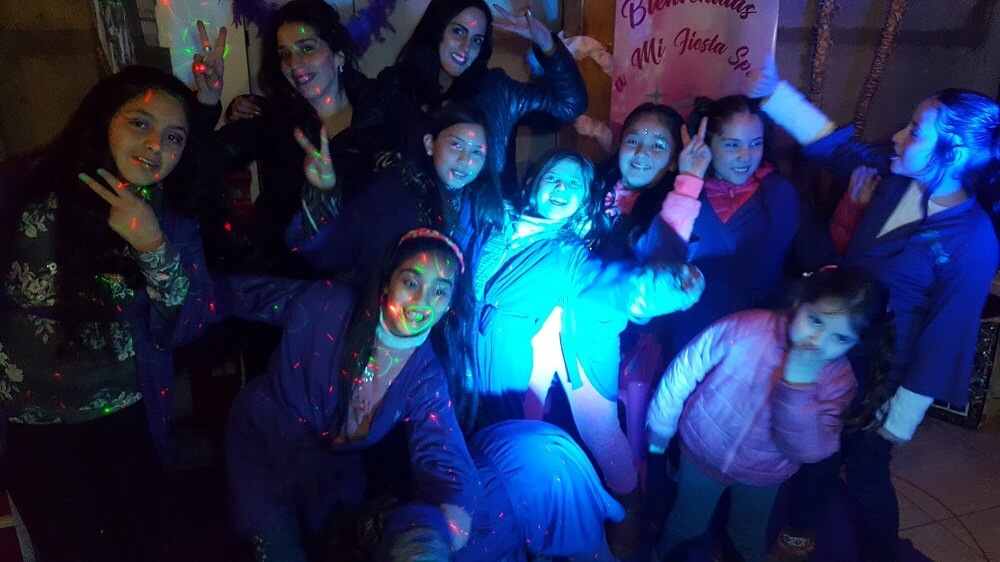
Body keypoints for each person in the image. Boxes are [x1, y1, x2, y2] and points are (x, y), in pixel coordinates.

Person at [748, 56, 1000, 561]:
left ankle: (880, 553)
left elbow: (948, 334)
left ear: (955, 154)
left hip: (882, 374)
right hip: (836, 348)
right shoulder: (897, 177)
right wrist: (775, 94)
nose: (899, 136)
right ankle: (801, 526)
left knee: (865, 471)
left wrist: (901, 415)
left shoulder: (972, 241)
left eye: (916, 130)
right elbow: (840, 150)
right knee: (819, 443)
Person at [0, 66, 218, 561]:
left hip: (124, 415)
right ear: (104, 120)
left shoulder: (171, 215)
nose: (155, 145)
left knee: (135, 544)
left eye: (174, 137)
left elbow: (190, 322)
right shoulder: (25, 187)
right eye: (139, 123)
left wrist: (152, 245)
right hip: (31, 423)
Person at [473, 148, 705, 557]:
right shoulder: (498, 220)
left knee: (597, 429)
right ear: (532, 183)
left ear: (585, 198)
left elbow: (611, 281)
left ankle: (628, 507)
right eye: (552, 178)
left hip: (582, 333)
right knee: (522, 430)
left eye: (573, 184)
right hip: (516, 342)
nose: (561, 188)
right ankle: (527, 518)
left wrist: (657, 289)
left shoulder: (571, 250)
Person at [223, 229, 480, 561]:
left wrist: (440, 528)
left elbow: (444, 451)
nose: (422, 301)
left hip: (331, 476)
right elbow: (250, 294)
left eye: (439, 291)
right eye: (411, 282)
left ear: (449, 305)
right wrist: (185, 291)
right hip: (264, 444)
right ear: (387, 282)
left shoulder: (425, 377)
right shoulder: (329, 306)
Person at [647, 267, 893, 561]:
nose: (818, 341)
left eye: (840, 338)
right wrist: (661, 426)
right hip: (702, 454)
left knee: (747, 534)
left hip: (764, 474)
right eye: (815, 320)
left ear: (856, 345)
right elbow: (686, 369)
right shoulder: (746, 328)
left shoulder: (839, 382)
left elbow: (807, 450)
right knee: (687, 524)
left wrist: (798, 387)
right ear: (798, 303)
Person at [196, 0, 396, 277]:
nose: (294, 63)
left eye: (307, 47)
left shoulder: (381, 110)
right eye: (284, 53)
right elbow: (204, 160)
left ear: (338, 55)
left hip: (366, 278)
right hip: (288, 279)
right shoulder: (274, 119)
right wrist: (207, 103)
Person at [285, 101, 503, 289]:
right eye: (455, 145)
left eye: (477, 152)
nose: (465, 160)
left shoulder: (480, 210)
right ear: (430, 144)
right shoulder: (394, 189)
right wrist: (323, 191)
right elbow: (333, 250)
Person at [378, 0, 588, 186]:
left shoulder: (495, 90)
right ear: (436, 28)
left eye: (477, 39)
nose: (466, 46)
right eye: (458, 31)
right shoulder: (395, 86)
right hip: (414, 215)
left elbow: (571, 104)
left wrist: (547, 44)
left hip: (491, 216)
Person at [375, 420, 626, 561]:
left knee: (585, 541)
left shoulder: (446, 546)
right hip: (500, 453)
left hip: (534, 475)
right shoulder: (404, 531)